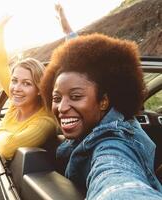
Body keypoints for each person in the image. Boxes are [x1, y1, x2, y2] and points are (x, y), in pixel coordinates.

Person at [40, 33, 162, 199]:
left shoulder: (113, 145)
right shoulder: (101, 121)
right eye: (56, 98)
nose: (61, 107)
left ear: (103, 101)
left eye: (76, 97)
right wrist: (68, 32)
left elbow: (116, 181)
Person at [0, 3, 74, 160]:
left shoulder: (45, 122)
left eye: (27, 83)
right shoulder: (17, 101)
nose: (16, 88)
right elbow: (0, 66)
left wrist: (0, 131)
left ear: (40, 89)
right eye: (14, 81)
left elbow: (7, 148)